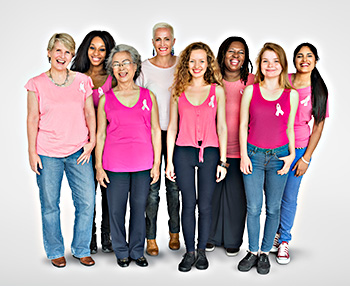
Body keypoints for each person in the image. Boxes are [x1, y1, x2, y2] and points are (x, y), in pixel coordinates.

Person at [26, 33, 96, 268]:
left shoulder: (82, 81)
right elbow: (32, 118)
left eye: (67, 52)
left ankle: (81, 248)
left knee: (86, 202)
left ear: (72, 55)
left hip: (79, 151)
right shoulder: (36, 84)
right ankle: (55, 250)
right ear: (49, 52)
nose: (62, 56)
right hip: (47, 152)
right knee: (49, 204)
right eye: (58, 51)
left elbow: (89, 113)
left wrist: (92, 141)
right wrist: (32, 152)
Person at [95, 44, 161, 268]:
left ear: (135, 66)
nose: (121, 68)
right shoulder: (106, 99)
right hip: (114, 164)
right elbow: (101, 134)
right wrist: (98, 166)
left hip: (143, 163)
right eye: (116, 64)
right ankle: (121, 251)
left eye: (125, 63)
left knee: (139, 207)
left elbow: (154, 131)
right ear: (112, 69)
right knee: (116, 210)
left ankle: (137, 250)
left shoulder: (148, 96)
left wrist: (157, 163)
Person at [166, 42, 228, 272]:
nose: (197, 65)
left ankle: (202, 251)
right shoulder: (178, 90)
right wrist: (169, 161)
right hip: (183, 152)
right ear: (186, 63)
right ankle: (189, 251)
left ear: (208, 63)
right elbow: (172, 127)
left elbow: (222, 127)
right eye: (192, 60)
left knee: (205, 204)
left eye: (202, 60)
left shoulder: (216, 90)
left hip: (210, 153)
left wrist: (223, 161)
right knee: (188, 203)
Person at [238, 42, 299, 275]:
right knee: (253, 207)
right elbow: (243, 124)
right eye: (265, 61)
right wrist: (244, 155)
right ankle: (252, 251)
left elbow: (289, 128)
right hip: (253, 154)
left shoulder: (290, 95)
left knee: (273, 208)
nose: (270, 65)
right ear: (260, 65)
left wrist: (292, 154)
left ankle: (265, 253)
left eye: (275, 61)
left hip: (279, 158)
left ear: (282, 64)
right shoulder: (252, 90)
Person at [272, 43, 329, 265]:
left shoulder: (319, 90)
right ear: (294, 60)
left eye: (309, 56)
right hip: (275, 146)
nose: (304, 59)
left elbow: (318, 127)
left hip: (298, 151)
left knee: (289, 197)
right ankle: (271, 235)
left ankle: (284, 239)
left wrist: (305, 158)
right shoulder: (283, 79)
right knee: (272, 196)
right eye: (299, 56)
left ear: (315, 60)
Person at [206, 36, 254, 257]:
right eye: (231, 51)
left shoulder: (253, 81)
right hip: (214, 146)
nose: (235, 56)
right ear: (223, 54)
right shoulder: (210, 80)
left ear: (245, 57)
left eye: (241, 52)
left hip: (242, 150)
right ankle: (211, 236)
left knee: (237, 197)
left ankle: (233, 240)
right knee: (212, 194)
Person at [136, 22, 180, 256]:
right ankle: (150, 238)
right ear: (152, 42)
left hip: (177, 133)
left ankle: (175, 234)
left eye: (166, 39)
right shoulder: (143, 68)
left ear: (174, 41)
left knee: (174, 187)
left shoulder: (182, 65)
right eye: (158, 39)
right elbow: (136, 102)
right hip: (150, 135)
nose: (162, 44)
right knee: (152, 189)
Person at [71, 30, 116, 254]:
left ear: (108, 53)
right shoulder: (75, 76)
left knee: (109, 193)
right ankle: (88, 237)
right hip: (83, 145)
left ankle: (107, 238)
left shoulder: (115, 76)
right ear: (85, 49)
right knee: (86, 196)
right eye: (92, 47)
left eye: (102, 49)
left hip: (111, 144)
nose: (96, 53)